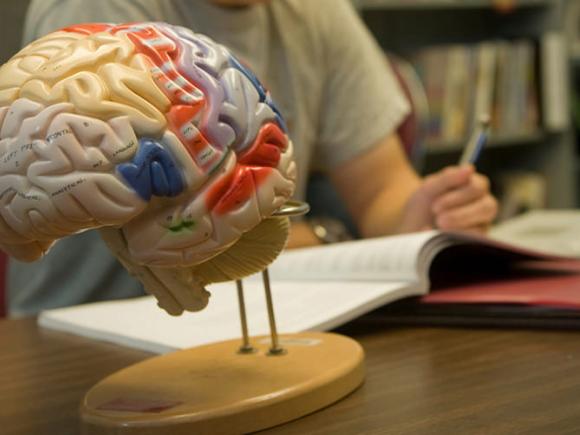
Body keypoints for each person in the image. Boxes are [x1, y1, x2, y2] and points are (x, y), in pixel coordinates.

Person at [8, 0, 497, 316]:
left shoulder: (317, 14)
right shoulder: (93, 10)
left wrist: (420, 218)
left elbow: (383, 190)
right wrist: (325, 235)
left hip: (259, 317)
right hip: (80, 331)